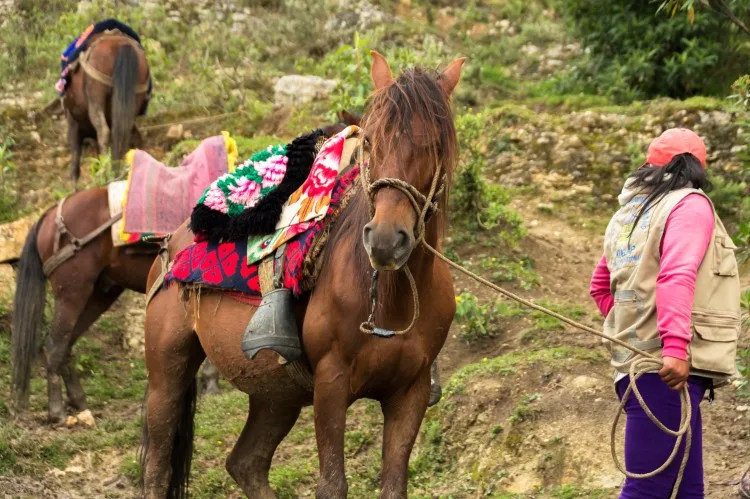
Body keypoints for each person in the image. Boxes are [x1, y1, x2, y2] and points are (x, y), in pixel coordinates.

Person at [589, 128, 740, 498]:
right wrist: (672, 346)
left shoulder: (629, 214)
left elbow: (599, 285)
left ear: (650, 167)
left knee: (688, 491)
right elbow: (677, 274)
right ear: (698, 169)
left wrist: (633, 331)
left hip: (639, 368)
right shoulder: (690, 204)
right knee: (647, 491)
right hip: (665, 372)